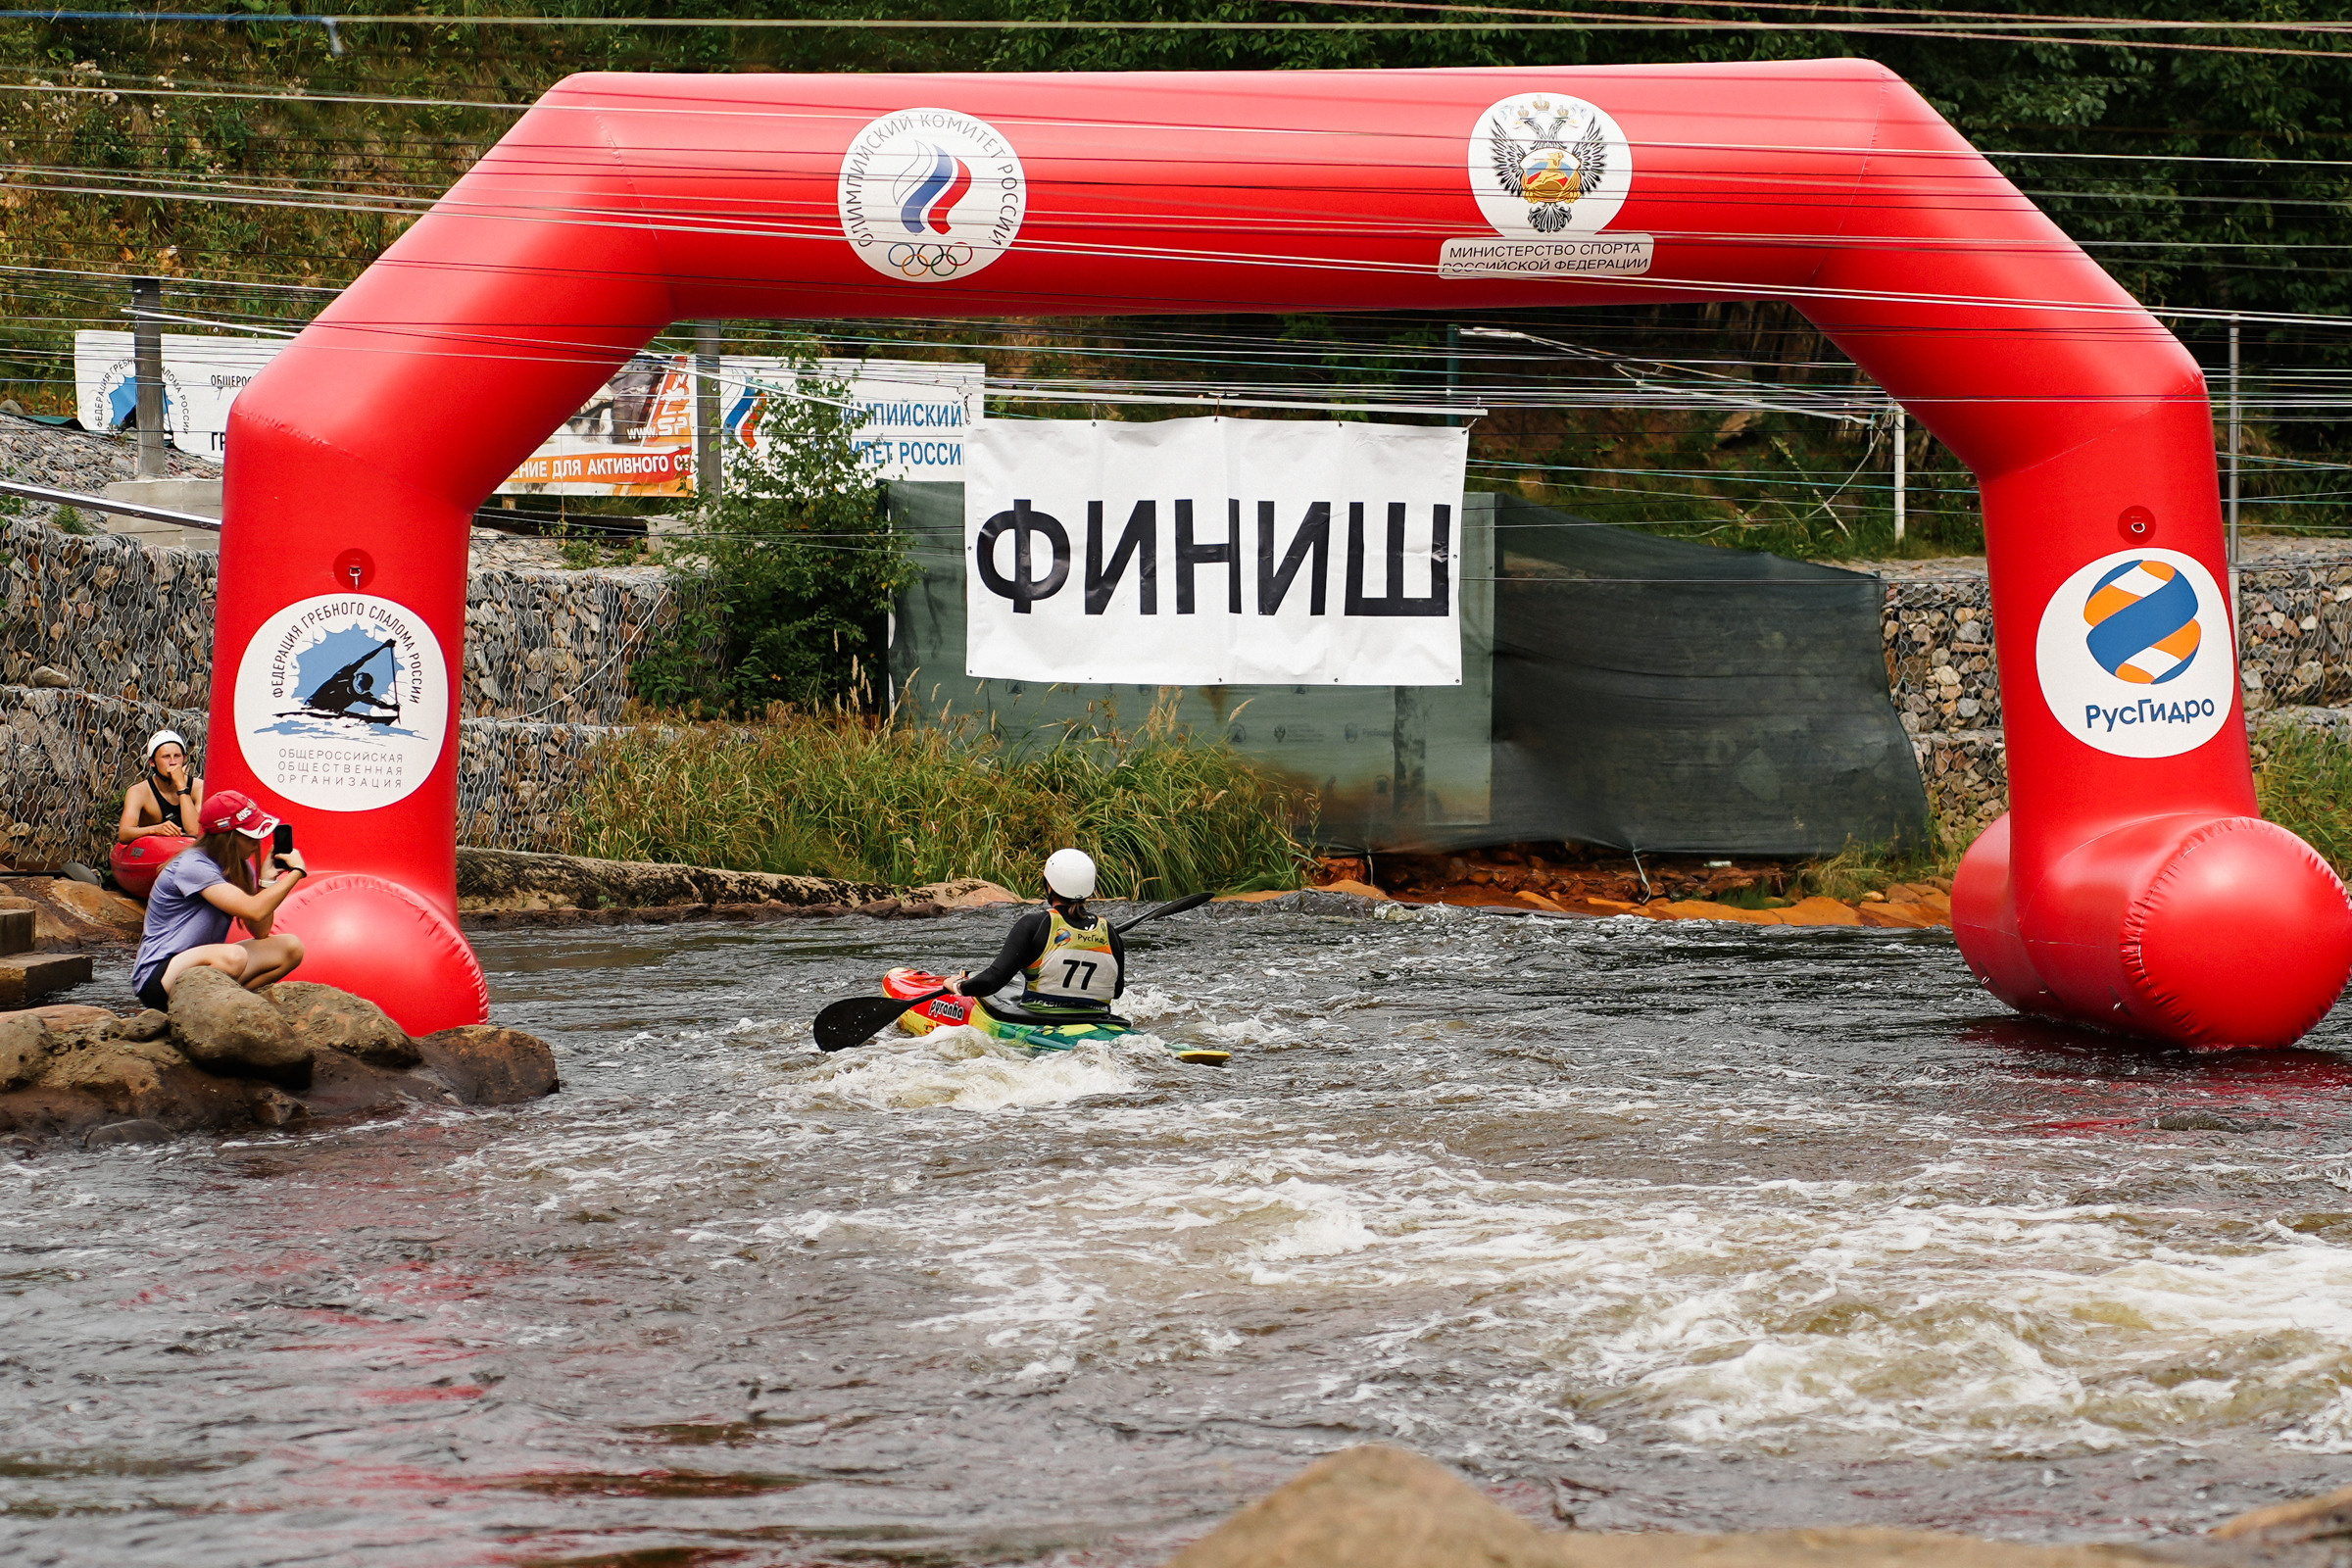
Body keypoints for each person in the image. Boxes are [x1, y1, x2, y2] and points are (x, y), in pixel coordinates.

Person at [129, 790, 308, 1012]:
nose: (257, 842)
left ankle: (226, 1006)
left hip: (206, 967)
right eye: (250, 836)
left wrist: (266, 882)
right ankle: (197, 1013)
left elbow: (260, 930)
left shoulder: (240, 866)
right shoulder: (192, 866)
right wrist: (297, 872)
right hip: (159, 976)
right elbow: (253, 910)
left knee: (290, 948)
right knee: (233, 957)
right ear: (228, 837)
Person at [951, 848, 1125, 1017]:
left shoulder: (1035, 925)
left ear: (1049, 886)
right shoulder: (1108, 932)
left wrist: (958, 986)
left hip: (1040, 1024)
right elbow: (1116, 992)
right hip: (1099, 1023)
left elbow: (991, 982)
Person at [117, 729, 203, 846]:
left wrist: (181, 787)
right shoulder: (139, 792)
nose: (173, 762)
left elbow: (194, 831)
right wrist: (155, 829)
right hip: (154, 853)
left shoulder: (199, 787)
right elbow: (124, 833)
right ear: (152, 762)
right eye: (166, 757)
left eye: (177, 756)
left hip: (189, 852)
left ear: (185, 759)